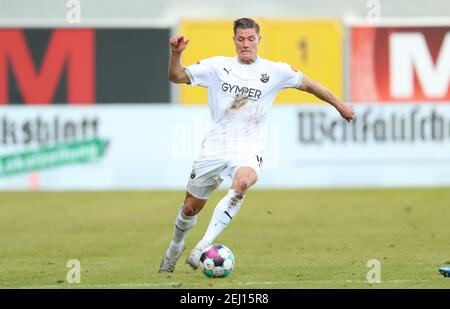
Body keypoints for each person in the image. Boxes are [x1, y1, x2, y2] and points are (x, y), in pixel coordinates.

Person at [159, 17, 354, 273]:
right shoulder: (217, 66)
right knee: (189, 208)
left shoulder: (275, 71)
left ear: (259, 40)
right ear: (234, 41)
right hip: (215, 148)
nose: (246, 44)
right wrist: (176, 54)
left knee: (241, 184)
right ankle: (176, 246)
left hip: (249, 148)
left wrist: (340, 105)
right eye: (241, 39)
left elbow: (310, 86)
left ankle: (202, 247)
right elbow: (175, 76)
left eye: (251, 39)